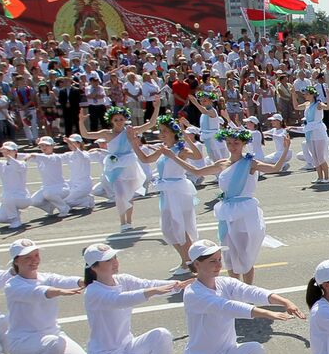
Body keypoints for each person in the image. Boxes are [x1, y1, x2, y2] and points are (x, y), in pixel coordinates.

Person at [182, 240, 303, 354]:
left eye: (219, 259)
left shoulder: (223, 283)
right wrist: (268, 314)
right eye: (212, 261)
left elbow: (250, 291)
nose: (218, 265)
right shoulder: (194, 294)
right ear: (197, 264)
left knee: (255, 350)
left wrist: (284, 302)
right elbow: (226, 306)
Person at [160, 127, 290, 284]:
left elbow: (275, 168)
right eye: (229, 142)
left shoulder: (250, 163)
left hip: (245, 211)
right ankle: (235, 288)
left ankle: (248, 290)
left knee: (244, 255)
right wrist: (173, 157)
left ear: (243, 144)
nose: (232, 146)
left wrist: (285, 149)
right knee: (229, 254)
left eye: (236, 142)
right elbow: (197, 171)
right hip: (226, 211)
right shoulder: (222, 164)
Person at [82, 243, 189, 354]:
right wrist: (152, 292)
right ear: (94, 268)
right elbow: (120, 300)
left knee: (161, 335)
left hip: (127, 347)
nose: (115, 262)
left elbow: (147, 284)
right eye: (108, 260)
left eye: (114, 257)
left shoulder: (122, 280)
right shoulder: (93, 292)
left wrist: (178, 285)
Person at [3, 239, 90, 354]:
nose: (34, 260)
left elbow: (64, 280)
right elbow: (38, 292)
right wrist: (60, 291)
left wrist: (85, 281)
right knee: (54, 343)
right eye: (27, 258)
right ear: (16, 261)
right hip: (22, 341)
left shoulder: (46, 277)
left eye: (36, 255)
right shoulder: (13, 285)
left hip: (51, 335)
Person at [129, 114, 204, 275]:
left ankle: (190, 264)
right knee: (169, 229)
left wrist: (186, 136)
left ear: (172, 132)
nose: (161, 133)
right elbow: (145, 159)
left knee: (179, 228)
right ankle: (187, 261)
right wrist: (134, 144)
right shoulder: (164, 149)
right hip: (167, 192)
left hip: (178, 190)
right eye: (160, 130)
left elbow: (198, 156)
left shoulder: (180, 149)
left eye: (165, 131)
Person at [77, 106, 147, 232]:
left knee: (130, 196)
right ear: (111, 121)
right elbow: (85, 134)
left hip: (130, 166)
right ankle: (122, 222)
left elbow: (151, 124)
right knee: (119, 195)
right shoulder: (107, 133)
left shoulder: (131, 131)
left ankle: (129, 222)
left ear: (125, 119)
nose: (119, 122)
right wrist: (81, 121)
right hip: (115, 166)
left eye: (121, 119)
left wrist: (157, 107)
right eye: (116, 120)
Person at [293, 86, 329, 184]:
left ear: (312, 94)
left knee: (320, 156)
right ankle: (320, 177)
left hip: (318, 132)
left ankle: (327, 178)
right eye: (305, 94)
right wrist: (293, 95)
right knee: (314, 157)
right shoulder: (307, 104)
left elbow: (327, 107)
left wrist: (328, 96)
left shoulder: (318, 104)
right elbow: (296, 107)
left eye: (307, 93)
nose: (305, 95)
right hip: (309, 132)